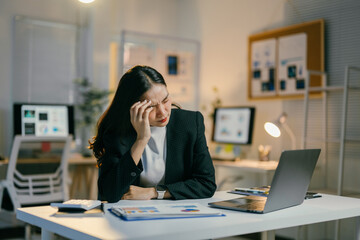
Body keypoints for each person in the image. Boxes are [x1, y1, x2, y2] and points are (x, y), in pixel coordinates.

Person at [90, 65, 216, 202]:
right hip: (130, 217)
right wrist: (141, 139)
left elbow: (206, 184)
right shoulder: (118, 133)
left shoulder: (190, 123)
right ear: (132, 108)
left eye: (165, 100)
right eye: (150, 106)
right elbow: (109, 193)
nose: (163, 112)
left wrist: (154, 192)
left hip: (178, 214)